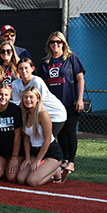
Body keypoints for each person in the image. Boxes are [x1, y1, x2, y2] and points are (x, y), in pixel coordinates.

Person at [39, 31, 86, 178]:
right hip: (53, 106)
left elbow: (80, 79)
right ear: (49, 45)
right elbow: (41, 84)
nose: (55, 45)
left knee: (69, 132)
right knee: (58, 133)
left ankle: (71, 161)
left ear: (63, 44)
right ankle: (63, 159)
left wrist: (80, 99)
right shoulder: (45, 62)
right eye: (52, 42)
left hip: (69, 101)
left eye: (58, 42)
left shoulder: (71, 59)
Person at [17, 88, 64, 186]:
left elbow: (47, 140)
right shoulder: (24, 114)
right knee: (21, 179)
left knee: (32, 181)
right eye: (25, 97)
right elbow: (26, 138)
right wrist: (27, 158)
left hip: (51, 152)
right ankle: (46, 169)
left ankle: (56, 170)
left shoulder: (43, 114)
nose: (28, 100)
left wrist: (38, 160)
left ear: (38, 98)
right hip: (34, 151)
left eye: (31, 97)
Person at [11, 58, 67, 138]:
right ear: (17, 70)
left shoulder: (37, 81)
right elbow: (17, 104)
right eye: (21, 68)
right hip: (38, 114)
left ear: (32, 69)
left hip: (55, 114)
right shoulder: (15, 84)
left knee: (47, 140)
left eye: (26, 68)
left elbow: (40, 103)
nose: (24, 71)